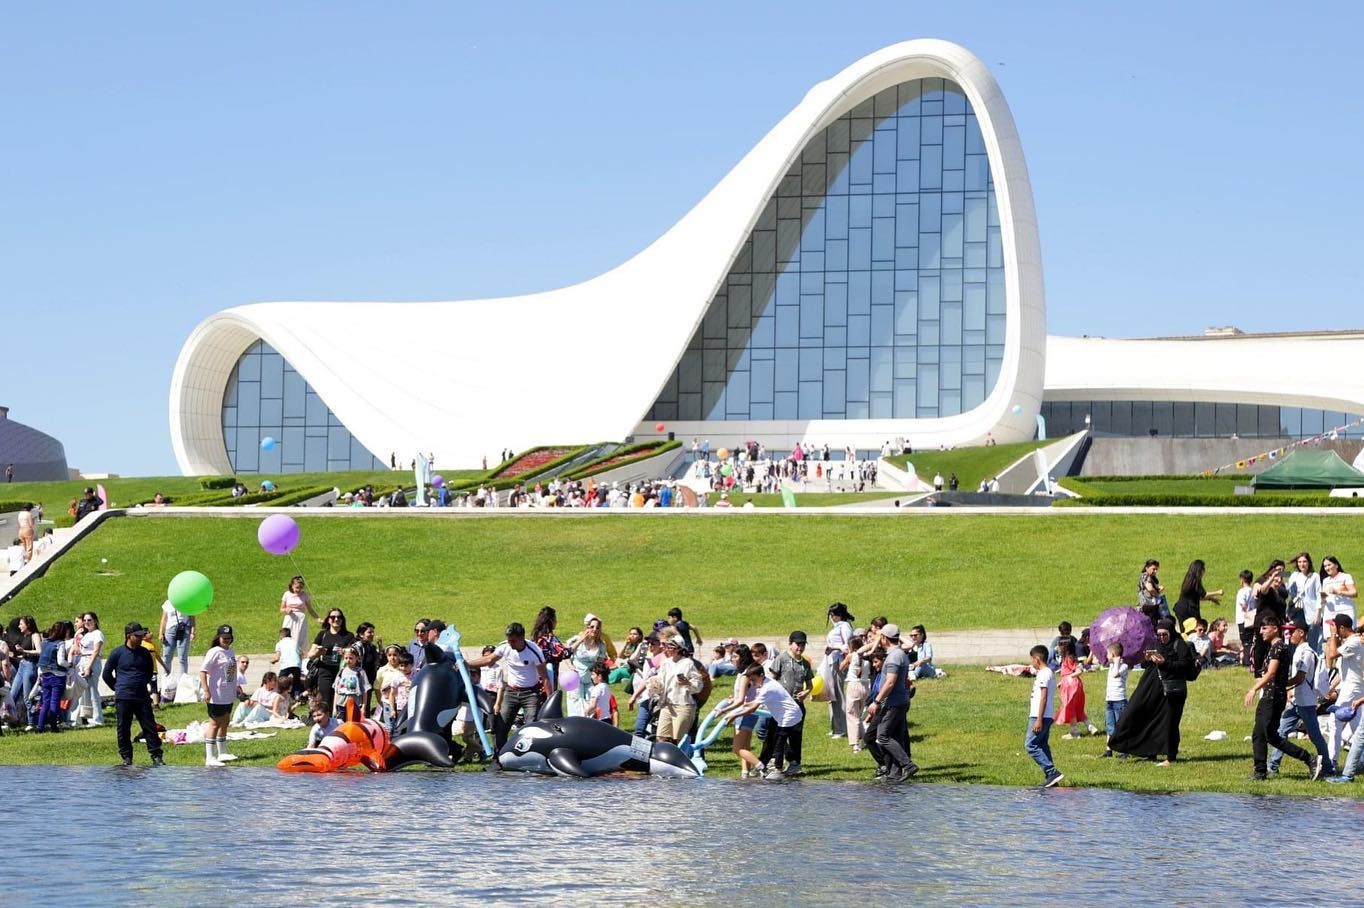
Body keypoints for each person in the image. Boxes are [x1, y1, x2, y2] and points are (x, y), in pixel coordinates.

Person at [1108, 619, 1193, 765]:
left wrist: (1164, 662)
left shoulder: (1180, 645)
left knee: (1169, 722)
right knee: (1142, 715)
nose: (1161, 638)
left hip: (1171, 691)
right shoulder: (1155, 644)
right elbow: (1146, 664)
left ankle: (1170, 757)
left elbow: (1186, 666)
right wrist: (1147, 659)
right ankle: (1148, 751)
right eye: (1159, 635)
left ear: (1171, 632)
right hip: (1151, 688)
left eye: (1164, 635)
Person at [1245, 622, 1323, 781]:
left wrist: (1254, 689)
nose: (1261, 631)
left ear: (1274, 629)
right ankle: (1260, 772)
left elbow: (1272, 672)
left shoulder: (1278, 648)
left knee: (1268, 734)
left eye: (1265, 628)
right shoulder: (1274, 648)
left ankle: (1309, 758)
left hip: (1272, 697)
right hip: (1270, 696)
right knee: (1261, 735)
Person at [469, 622, 548, 752]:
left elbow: (544, 677)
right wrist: (467, 663)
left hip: (530, 693)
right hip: (511, 691)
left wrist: (548, 698)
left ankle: (529, 755)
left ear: (522, 638)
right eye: (509, 640)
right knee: (501, 725)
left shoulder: (534, 651)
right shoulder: (505, 647)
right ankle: (498, 756)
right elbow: (489, 660)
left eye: (514, 641)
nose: (511, 644)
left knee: (531, 726)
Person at [1267, 624, 1333, 777]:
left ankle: (1328, 768)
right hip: (1297, 701)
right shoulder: (1298, 651)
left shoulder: (1306, 652)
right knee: (1281, 732)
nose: (1288, 635)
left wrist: (1282, 685)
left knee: (1315, 737)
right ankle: (1273, 766)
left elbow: (1300, 677)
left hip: (1306, 702)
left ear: (1301, 633)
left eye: (1291, 632)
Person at [721, 663, 803, 781]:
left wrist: (734, 715)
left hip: (789, 716)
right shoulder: (766, 682)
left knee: (779, 742)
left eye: (754, 680)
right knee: (774, 740)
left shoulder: (767, 688)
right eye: (751, 681)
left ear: (761, 675)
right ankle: (792, 762)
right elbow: (753, 703)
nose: (753, 683)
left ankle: (778, 769)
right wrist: (735, 704)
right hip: (784, 715)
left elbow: (753, 708)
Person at [101, 622, 165, 767]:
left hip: (141, 696)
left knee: (149, 726)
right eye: (137, 635)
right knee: (123, 728)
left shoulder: (145, 653)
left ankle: (156, 756)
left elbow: (149, 672)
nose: (141, 637)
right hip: (124, 697)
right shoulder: (117, 653)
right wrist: (117, 687)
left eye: (142, 634)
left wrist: (142, 683)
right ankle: (127, 757)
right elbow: (106, 674)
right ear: (129, 636)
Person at [865, 624, 916, 783]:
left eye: (880, 636)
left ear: (885, 638)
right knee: (896, 736)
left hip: (893, 702)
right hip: (900, 701)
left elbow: (890, 682)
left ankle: (907, 765)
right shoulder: (900, 653)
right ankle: (894, 774)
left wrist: (877, 702)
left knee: (883, 736)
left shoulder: (894, 657)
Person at [769, 631, 814, 774]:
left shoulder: (805, 663)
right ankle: (776, 761)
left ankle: (795, 764)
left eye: (802, 644)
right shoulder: (781, 659)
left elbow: (810, 685)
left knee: (796, 735)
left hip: (797, 705)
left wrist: (806, 692)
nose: (800, 647)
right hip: (781, 705)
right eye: (797, 644)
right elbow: (772, 679)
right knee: (779, 734)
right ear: (790, 644)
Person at [1323, 615, 1364, 769]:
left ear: (1341, 628)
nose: (1332, 630)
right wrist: (1332, 687)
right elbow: (1344, 669)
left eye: (1334, 627)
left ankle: (1331, 761)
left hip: (1352, 689)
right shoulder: (1354, 641)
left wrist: (1333, 635)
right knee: (1356, 726)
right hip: (1355, 687)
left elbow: (1332, 655)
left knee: (1335, 721)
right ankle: (1362, 761)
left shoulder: (1353, 642)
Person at [200, 625, 239, 767]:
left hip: (228, 693)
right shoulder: (214, 652)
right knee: (214, 723)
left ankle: (223, 751)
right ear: (218, 638)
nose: (226, 640)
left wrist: (237, 687)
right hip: (216, 693)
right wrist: (206, 690)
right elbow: (203, 671)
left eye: (229, 638)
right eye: (224, 638)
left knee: (225, 721)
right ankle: (210, 757)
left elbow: (231, 672)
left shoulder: (230, 651)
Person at [1025, 644, 1064, 788]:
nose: (1031, 663)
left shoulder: (1044, 673)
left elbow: (1043, 697)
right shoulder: (1048, 673)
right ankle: (1051, 778)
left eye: (1032, 660)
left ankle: (1052, 771)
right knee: (1042, 745)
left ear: (1037, 659)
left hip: (1039, 716)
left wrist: (1039, 720)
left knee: (1031, 745)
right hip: (1045, 715)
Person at [655, 637, 703, 744]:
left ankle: (682, 759)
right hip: (666, 704)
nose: (667, 649)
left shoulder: (687, 663)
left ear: (678, 649)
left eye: (670, 647)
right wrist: (655, 685)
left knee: (679, 739)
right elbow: (660, 680)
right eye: (667, 647)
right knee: (661, 737)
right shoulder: (665, 663)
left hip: (683, 705)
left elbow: (699, 685)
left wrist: (688, 683)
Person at [309, 608, 355, 714]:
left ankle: (340, 721)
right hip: (325, 670)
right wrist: (318, 653)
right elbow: (310, 655)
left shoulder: (348, 636)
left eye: (339, 617)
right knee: (325, 697)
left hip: (342, 671)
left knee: (343, 698)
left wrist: (344, 652)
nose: (336, 619)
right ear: (328, 620)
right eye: (333, 617)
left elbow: (354, 653)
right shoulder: (322, 635)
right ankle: (326, 721)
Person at [33, 621, 71, 732]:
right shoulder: (60, 643)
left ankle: (40, 726)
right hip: (58, 675)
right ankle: (54, 726)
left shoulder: (44, 642)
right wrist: (69, 664)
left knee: (45, 701)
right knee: (55, 701)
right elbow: (60, 661)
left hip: (45, 675)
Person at [824, 602, 855, 737]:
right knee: (831, 694)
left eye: (833, 614)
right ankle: (835, 726)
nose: (831, 617)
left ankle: (842, 728)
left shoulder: (845, 626)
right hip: (831, 661)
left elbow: (848, 647)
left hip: (839, 662)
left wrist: (834, 647)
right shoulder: (837, 627)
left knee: (838, 695)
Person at [1055, 642, 1098, 738]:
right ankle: (1090, 726)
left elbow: (1078, 671)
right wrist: (1062, 681)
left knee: (1069, 708)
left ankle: (1075, 732)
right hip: (1076, 684)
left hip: (1070, 686)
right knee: (1077, 707)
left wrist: (1068, 677)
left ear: (1065, 648)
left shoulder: (1067, 659)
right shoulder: (1072, 658)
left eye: (1059, 646)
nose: (1057, 648)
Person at [71, 611, 105, 726]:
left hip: (92, 661)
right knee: (81, 691)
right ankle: (81, 718)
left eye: (89, 620)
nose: (87, 622)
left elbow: (95, 651)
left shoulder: (97, 633)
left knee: (92, 691)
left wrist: (89, 667)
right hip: (83, 661)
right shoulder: (86, 634)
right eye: (85, 620)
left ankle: (97, 718)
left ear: (95, 621)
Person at [1287, 552, 1323, 651]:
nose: (1302, 564)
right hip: (1298, 610)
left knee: (1312, 639)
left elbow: (1319, 594)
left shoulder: (1315, 576)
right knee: (1297, 637)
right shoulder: (1294, 575)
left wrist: (1318, 612)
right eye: (1299, 562)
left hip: (1311, 610)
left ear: (1309, 563)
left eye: (1304, 562)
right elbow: (1289, 588)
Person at [1173, 559, 1221, 630]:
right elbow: (1203, 594)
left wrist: (1211, 599)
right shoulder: (1195, 582)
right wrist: (1218, 592)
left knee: (1189, 630)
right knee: (1194, 629)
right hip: (1188, 610)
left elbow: (1198, 596)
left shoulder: (1189, 579)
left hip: (1183, 609)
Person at [1100, 643, 1129, 758]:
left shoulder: (1123, 666)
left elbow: (1116, 675)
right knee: (1110, 725)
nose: (1107, 656)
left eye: (1108, 654)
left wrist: (1117, 662)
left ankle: (1124, 750)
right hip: (1110, 700)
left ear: (1113, 654)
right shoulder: (1111, 666)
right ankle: (1109, 749)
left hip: (1120, 701)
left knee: (1120, 725)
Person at [279, 576, 319, 660]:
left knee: (300, 638)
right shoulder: (287, 594)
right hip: (290, 620)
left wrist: (318, 619)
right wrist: (286, 609)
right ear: (292, 586)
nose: (298, 590)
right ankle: (286, 657)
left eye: (300, 587)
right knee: (288, 638)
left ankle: (300, 658)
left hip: (301, 620)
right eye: (297, 587)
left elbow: (310, 610)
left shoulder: (304, 595)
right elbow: (281, 609)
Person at [158, 598, 195, 678]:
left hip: (184, 630)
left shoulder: (187, 601)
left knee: (182, 657)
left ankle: (183, 680)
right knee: (167, 656)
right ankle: (166, 678)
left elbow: (192, 617)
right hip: (170, 630)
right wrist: (161, 633)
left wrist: (192, 631)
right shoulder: (168, 603)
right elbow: (164, 619)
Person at [270, 627, 303, 695]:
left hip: (286, 665)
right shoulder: (294, 642)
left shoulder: (280, 643)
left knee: (280, 680)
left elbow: (277, 657)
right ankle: (297, 695)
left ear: (281, 635)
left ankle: (278, 693)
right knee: (297, 681)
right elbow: (301, 653)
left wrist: (273, 661)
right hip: (296, 664)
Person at [1233, 569, 1256, 666]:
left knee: (1245, 641)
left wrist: (1247, 612)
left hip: (1243, 619)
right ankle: (1250, 659)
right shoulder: (1252, 591)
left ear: (1242, 579)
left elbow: (1243, 604)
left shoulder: (1242, 592)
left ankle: (1247, 661)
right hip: (1252, 619)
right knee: (1250, 640)